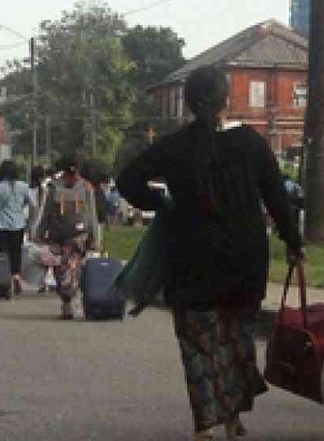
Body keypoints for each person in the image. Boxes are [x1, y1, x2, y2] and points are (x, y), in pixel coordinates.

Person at [117, 65, 305, 441]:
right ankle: (234, 418)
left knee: (198, 343)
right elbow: (278, 199)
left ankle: (205, 424)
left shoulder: (175, 146)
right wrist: (294, 244)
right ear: (227, 100)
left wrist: (159, 199)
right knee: (237, 338)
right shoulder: (252, 145)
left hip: (191, 259)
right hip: (245, 260)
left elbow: (127, 180)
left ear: (187, 103)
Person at [36, 157, 101, 320]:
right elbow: (46, 211)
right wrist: (39, 232)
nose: (72, 178)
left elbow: (92, 214)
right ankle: (66, 301)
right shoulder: (53, 187)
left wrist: (95, 238)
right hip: (57, 236)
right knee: (60, 269)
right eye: (69, 174)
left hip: (78, 236)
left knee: (71, 267)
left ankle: (69, 300)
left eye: (75, 174)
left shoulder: (86, 188)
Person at [0, 160, 32, 295]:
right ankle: (16, 275)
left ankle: (5, 280)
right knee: (16, 252)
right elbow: (34, 203)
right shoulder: (23, 186)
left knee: (3, 254)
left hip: (1, 226)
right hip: (18, 224)